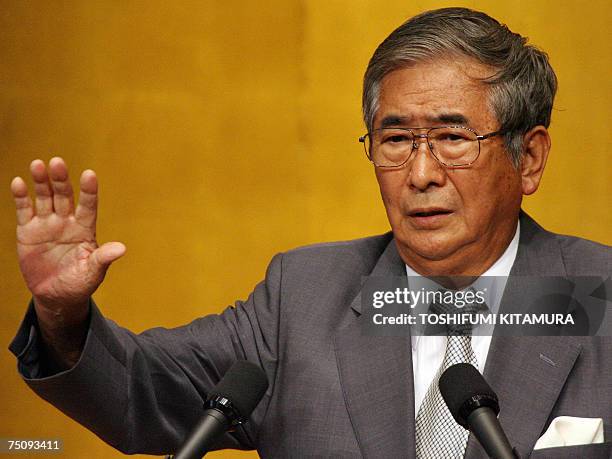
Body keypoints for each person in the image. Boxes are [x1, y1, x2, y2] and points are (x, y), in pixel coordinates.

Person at [9, 7, 611, 458]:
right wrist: (63, 315)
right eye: (396, 140)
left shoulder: (600, 297)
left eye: (453, 139)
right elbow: (143, 393)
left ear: (528, 158)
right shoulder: (304, 296)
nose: (421, 174)